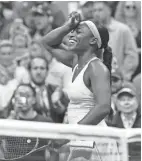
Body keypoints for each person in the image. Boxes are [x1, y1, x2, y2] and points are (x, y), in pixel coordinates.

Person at [40, 12, 113, 160]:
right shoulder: (75, 61)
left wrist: (70, 133)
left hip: (92, 137)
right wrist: (68, 26)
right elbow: (47, 42)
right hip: (80, 135)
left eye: (78, 32)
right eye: (72, 32)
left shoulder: (97, 68)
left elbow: (103, 107)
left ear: (93, 40)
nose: (71, 35)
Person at [93, 1, 138, 81]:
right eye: (94, 10)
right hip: (97, 80)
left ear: (109, 11)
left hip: (117, 80)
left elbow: (132, 55)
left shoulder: (122, 29)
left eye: (100, 10)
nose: (96, 13)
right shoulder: (91, 31)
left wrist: (123, 75)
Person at [28, 56, 66, 123]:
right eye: (35, 68)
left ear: (47, 71)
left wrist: (62, 110)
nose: (38, 72)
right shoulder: (22, 90)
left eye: (42, 68)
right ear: (29, 71)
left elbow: (66, 113)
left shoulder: (56, 90)